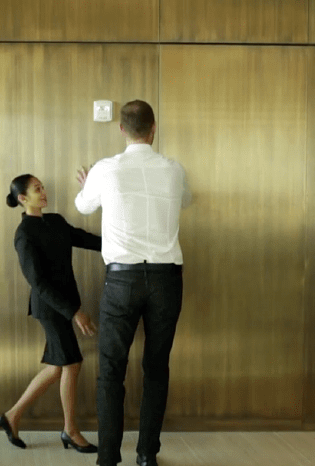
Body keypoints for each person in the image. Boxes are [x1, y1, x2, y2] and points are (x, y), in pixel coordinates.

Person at [75, 100, 191, 466]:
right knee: (156, 368)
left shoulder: (106, 169)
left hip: (122, 280)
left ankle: (108, 458)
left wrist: (89, 183)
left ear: (121, 129)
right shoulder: (174, 169)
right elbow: (186, 200)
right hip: (166, 280)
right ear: (154, 128)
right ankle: (146, 456)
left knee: (111, 370)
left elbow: (82, 206)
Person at [0, 174, 100, 454]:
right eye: (37, 189)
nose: (44, 192)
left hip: (64, 306)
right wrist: (75, 312)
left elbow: (85, 239)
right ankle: (70, 431)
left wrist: (121, 243)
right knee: (72, 364)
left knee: (58, 367)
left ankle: (12, 416)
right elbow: (38, 283)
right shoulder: (24, 234)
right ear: (22, 198)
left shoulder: (55, 221)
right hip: (50, 309)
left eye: (42, 187)